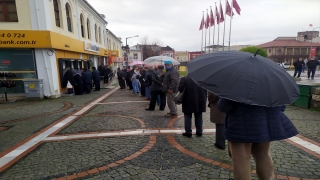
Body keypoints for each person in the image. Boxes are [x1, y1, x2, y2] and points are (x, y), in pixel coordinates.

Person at [217, 98, 298, 180]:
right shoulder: (273, 86)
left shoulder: (237, 85)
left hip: (241, 126)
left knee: (241, 157)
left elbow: (224, 106)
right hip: (264, 126)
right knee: (262, 154)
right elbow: (282, 107)